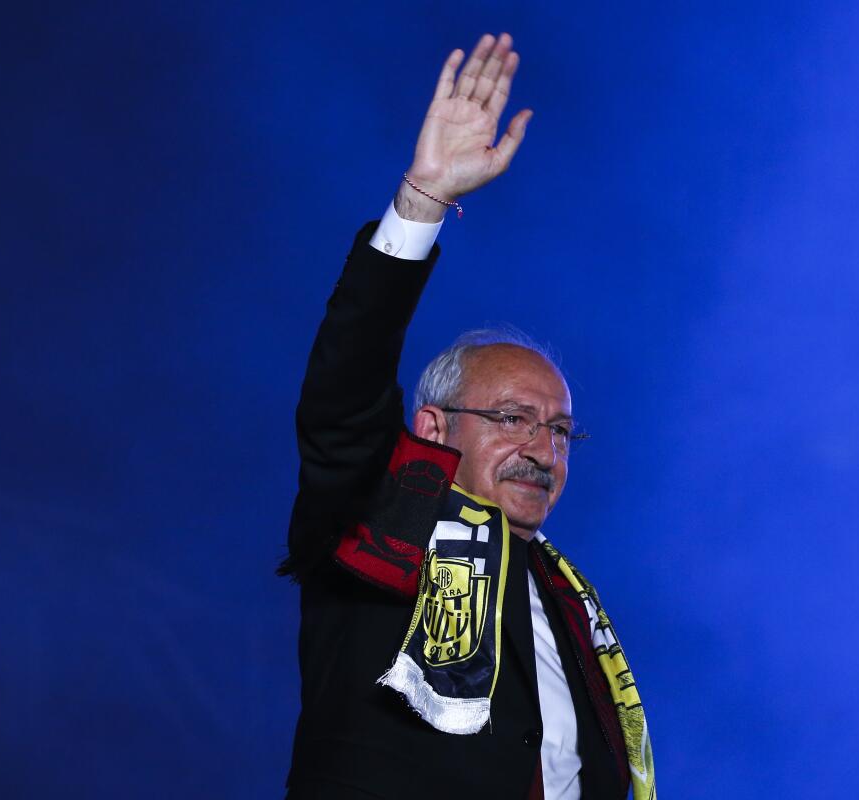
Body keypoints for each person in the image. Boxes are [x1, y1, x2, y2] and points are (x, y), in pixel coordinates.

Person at [281, 33, 655, 799]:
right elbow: (343, 395)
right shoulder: (377, 516)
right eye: (514, 418)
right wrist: (423, 198)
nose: (542, 449)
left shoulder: (565, 597)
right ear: (433, 428)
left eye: (558, 430)